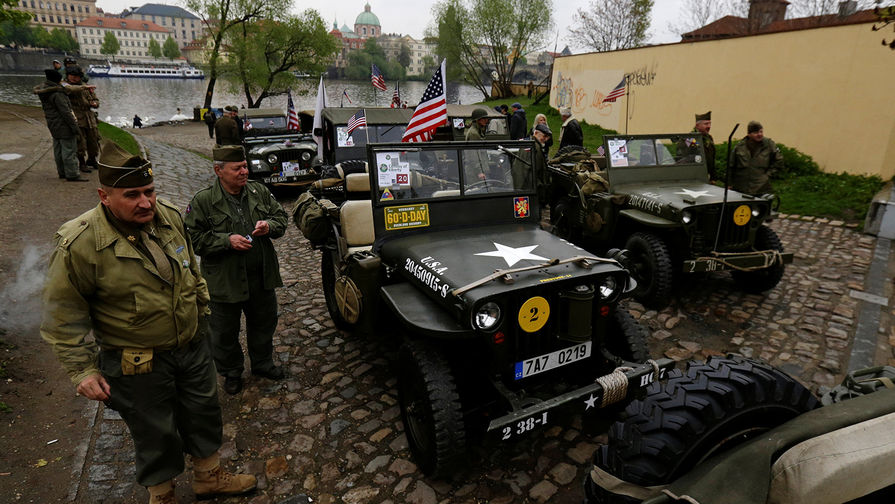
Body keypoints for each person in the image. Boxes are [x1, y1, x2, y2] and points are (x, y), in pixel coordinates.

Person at [41, 140, 257, 504]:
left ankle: (208, 477)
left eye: (149, 191)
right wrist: (83, 371)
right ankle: (162, 494)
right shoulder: (80, 242)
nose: (145, 202)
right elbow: (62, 313)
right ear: (104, 196)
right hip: (136, 362)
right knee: (153, 430)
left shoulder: (170, 216)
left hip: (191, 347)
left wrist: (202, 316)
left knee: (204, 413)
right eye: (132, 195)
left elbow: (192, 271)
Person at [185, 145, 288, 395]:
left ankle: (262, 363)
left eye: (245, 166)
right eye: (237, 168)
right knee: (223, 332)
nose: (244, 171)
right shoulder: (204, 200)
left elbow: (281, 219)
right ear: (218, 170)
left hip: (261, 277)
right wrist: (226, 241)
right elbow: (194, 240)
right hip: (224, 281)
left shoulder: (259, 191)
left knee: (264, 323)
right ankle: (231, 371)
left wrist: (269, 226)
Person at [33, 69, 87, 182]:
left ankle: (62, 172)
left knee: (58, 150)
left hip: (53, 124)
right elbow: (66, 112)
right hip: (64, 125)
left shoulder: (44, 91)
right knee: (69, 150)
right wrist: (75, 127)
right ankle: (72, 174)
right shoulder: (58, 94)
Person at [730, 121, 783, 196]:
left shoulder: (769, 145)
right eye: (756, 132)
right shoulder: (740, 147)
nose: (759, 134)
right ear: (749, 134)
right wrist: (729, 183)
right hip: (741, 188)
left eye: (761, 131)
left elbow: (779, 160)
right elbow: (731, 166)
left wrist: (767, 175)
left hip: (762, 189)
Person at [64, 66, 100, 172]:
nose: (75, 79)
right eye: (73, 76)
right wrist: (85, 88)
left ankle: (92, 159)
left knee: (94, 140)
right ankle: (82, 163)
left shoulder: (86, 87)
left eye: (77, 77)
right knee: (80, 142)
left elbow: (95, 99)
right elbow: (71, 90)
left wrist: (95, 103)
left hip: (89, 117)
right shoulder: (65, 85)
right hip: (77, 117)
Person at [693, 111, 716, 181]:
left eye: (710, 124)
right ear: (697, 125)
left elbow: (711, 159)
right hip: (695, 176)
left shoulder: (709, 138)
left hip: (707, 175)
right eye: (706, 124)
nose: (709, 126)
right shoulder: (690, 139)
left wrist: (713, 177)